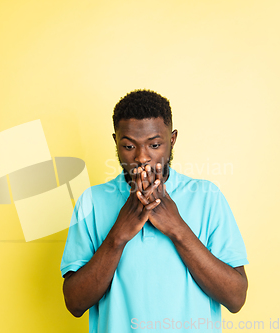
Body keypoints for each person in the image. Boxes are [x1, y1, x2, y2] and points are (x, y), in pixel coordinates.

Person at [60, 89, 248, 332]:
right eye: (129, 146)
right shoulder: (91, 202)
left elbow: (235, 298)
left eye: (155, 144)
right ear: (115, 142)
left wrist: (177, 228)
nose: (141, 157)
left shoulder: (206, 196)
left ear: (172, 140)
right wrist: (118, 235)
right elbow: (75, 303)